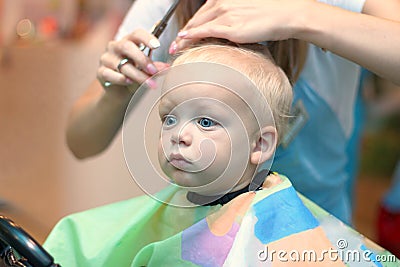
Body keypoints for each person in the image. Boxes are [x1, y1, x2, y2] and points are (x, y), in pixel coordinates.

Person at [45, 43, 398, 266]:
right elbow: (80, 243)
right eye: (169, 118)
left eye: (205, 121)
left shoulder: (288, 235)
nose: (179, 136)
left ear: (260, 145)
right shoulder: (164, 209)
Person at [66, 0, 400, 225]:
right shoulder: (169, 7)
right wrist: (115, 94)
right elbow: (81, 142)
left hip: (313, 228)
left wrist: (301, 16)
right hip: (202, 231)